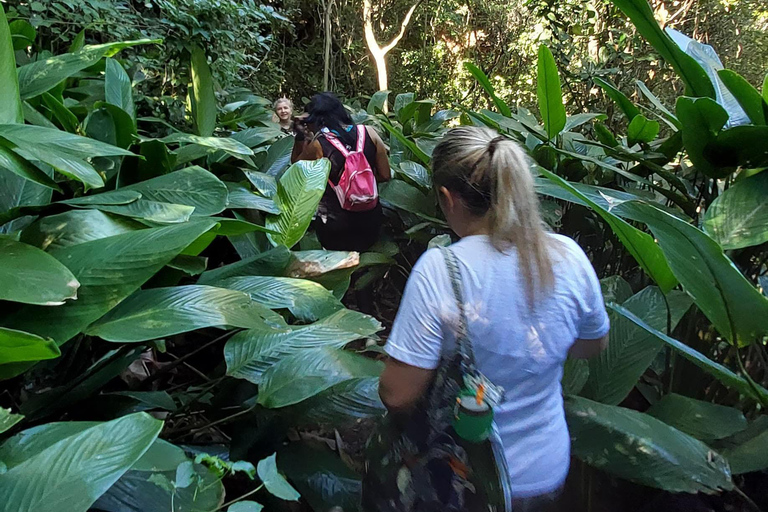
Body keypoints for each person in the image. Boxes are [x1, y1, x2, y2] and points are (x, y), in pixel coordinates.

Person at [375, 127, 610, 511]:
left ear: (448, 198)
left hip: (467, 478)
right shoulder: (568, 255)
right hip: (546, 468)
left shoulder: (441, 269)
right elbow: (591, 345)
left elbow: (397, 394)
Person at [291, 92, 391, 252]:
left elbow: (296, 170)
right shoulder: (369, 132)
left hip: (335, 225)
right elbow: (385, 175)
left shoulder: (319, 145)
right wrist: (360, 184)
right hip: (370, 221)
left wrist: (299, 133)